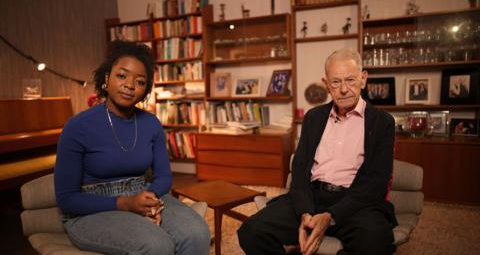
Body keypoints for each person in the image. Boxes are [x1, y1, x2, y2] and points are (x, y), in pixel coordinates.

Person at [54, 40, 210, 254]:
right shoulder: (77, 126)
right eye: (122, 75)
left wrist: (148, 199)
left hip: (142, 195)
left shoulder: (151, 123)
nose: (129, 85)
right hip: (92, 209)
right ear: (107, 78)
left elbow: (164, 177)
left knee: (198, 233)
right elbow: (67, 199)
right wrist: (125, 204)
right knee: (156, 245)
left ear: (145, 89)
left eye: (140, 81)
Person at [238, 48, 397, 255]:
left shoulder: (382, 122)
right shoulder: (314, 117)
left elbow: (376, 182)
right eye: (336, 82)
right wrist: (305, 211)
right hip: (311, 196)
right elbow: (300, 169)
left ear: (363, 79)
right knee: (252, 231)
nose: (343, 89)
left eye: (350, 80)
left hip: (356, 203)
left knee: (375, 242)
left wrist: (330, 216)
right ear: (326, 84)